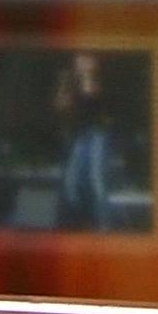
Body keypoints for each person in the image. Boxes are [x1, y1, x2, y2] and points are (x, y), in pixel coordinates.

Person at [54, 52, 112, 230]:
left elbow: (91, 94)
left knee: (97, 181)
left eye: (85, 59)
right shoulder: (70, 81)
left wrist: (86, 75)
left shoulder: (96, 80)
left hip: (97, 133)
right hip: (78, 134)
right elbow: (60, 106)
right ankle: (78, 224)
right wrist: (64, 84)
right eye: (79, 59)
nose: (80, 62)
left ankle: (103, 227)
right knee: (70, 184)